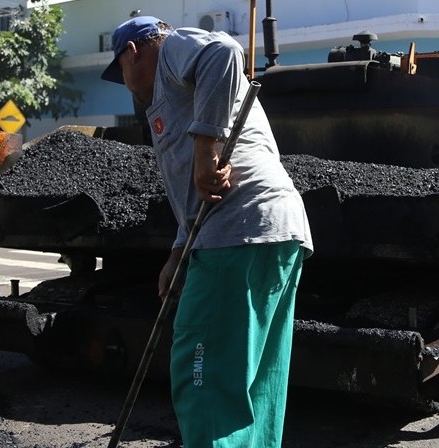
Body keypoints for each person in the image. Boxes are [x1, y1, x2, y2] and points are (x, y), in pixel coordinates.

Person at [101, 16, 313, 448]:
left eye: (120, 69)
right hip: (273, 228)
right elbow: (191, 192)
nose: (124, 84)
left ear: (134, 51)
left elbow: (225, 52)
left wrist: (205, 148)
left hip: (238, 228)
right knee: (254, 376)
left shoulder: (172, 51)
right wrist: (178, 251)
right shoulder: (170, 100)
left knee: (203, 370)